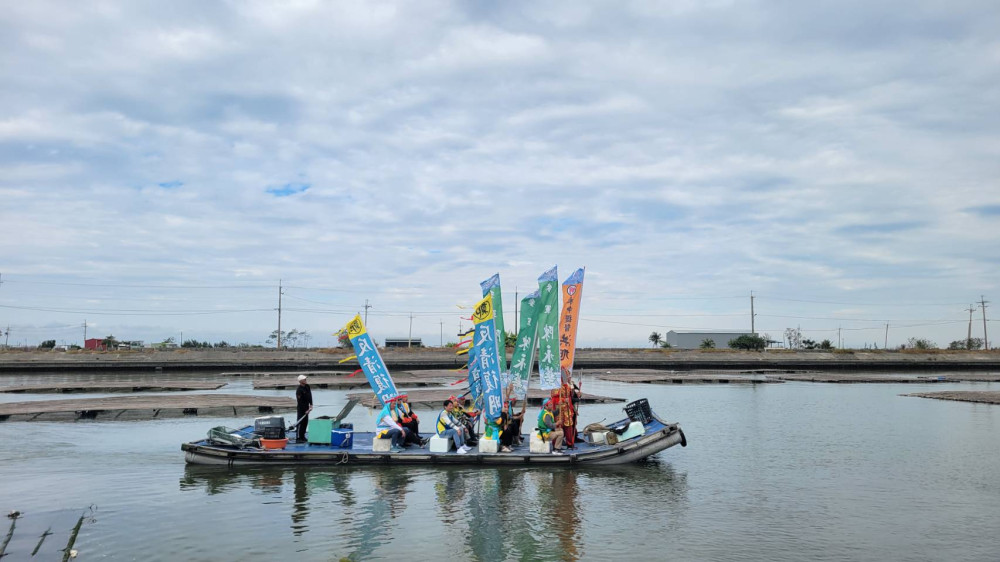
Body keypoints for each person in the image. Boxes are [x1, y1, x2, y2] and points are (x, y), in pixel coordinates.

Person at [295, 374, 313, 442]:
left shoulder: (307, 386)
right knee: (300, 423)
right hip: (301, 408)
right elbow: (299, 401)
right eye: (304, 379)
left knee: (305, 422)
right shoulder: (299, 390)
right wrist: (305, 410)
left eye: (305, 379)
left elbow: (310, 395)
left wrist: (311, 404)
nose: (305, 380)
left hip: (307, 407)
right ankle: (298, 438)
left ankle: (303, 436)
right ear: (300, 381)